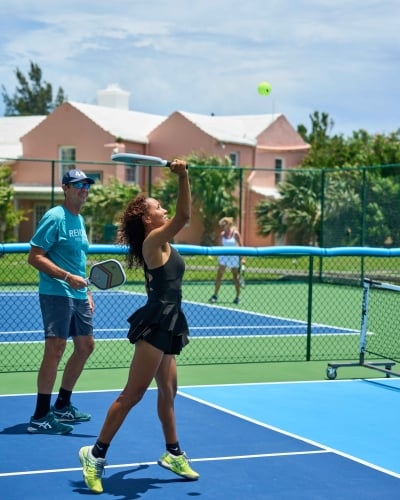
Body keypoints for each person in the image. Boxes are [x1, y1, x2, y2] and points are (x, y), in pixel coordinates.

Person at [79, 159, 199, 494]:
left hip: (172, 320)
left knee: (169, 392)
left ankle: (173, 452)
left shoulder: (164, 242)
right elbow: (185, 216)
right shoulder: (153, 242)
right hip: (157, 322)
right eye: (158, 207)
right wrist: (183, 176)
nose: (163, 208)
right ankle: (95, 454)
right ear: (148, 219)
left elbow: (180, 221)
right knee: (132, 394)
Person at [27, 169, 95, 435]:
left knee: (86, 347)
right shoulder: (54, 217)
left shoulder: (79, 220)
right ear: (65, 188)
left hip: (79, 295)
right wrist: (67, 276)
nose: (84, 189)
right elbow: (34, 257)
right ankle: (40, 416)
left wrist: (88, 292)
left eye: (86, 185)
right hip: (56, 292)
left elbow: (79, 260)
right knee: (55, 350)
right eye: (78, 185)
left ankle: (63, 405)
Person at [209, 217, 245, 304]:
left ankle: (237, 297)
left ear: (229, 224)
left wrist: (243, 258)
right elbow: (219, 246)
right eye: (222, 225)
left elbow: (241, 246)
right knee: (219, 276)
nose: (223, 226)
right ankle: (215, 295)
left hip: (233, 257)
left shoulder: (235, 234)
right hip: (223, 257)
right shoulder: (222, 234)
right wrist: (215, 255)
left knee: (235, 277)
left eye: (224, 224)